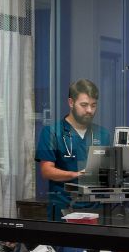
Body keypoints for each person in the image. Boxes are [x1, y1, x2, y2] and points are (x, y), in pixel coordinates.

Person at [35, 79, 109, 221]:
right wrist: (76, 174)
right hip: (64, 207)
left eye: (93, 105)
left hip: (95, 208)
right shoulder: (52, 132)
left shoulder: (102, 134)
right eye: (84, 105)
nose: (89, 110)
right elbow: (46, 171)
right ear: (71, 103)